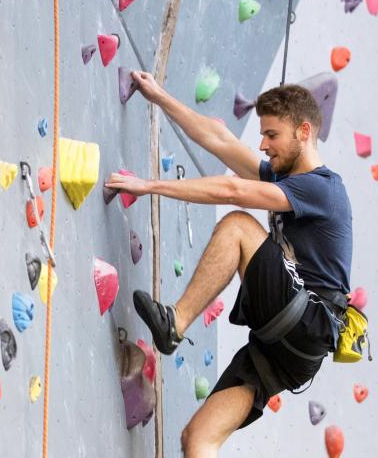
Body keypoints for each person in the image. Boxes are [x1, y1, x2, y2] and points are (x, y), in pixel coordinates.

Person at [105, 71, 353, 457]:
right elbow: (220, 141)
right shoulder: (287, 180)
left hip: (308, 321)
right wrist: (159, 96)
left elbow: (234, 190)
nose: (263, 144)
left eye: (272, 135)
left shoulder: (321, 187)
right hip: (286, 354)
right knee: (198, 438)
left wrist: (148, 186)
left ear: (303, 132)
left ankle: (176, 323)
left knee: (239, 227)